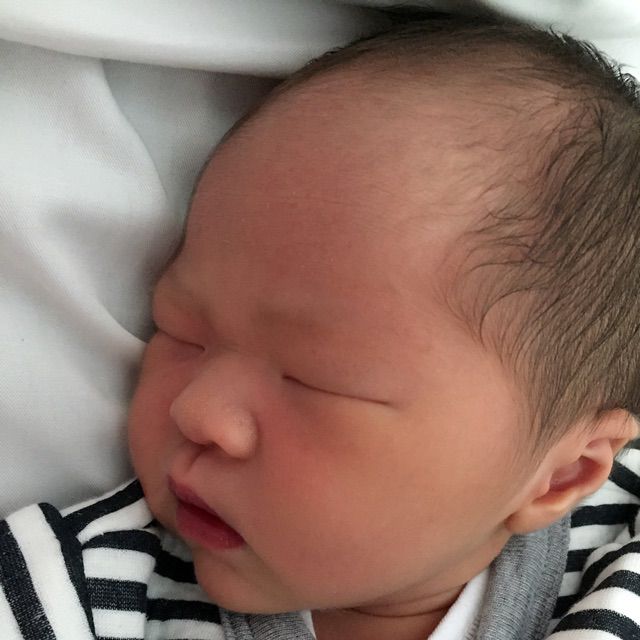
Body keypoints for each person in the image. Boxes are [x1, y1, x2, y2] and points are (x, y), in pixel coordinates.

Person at [1, 15, 639, 640]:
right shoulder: (71, 592)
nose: (197, 411)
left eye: (314, 380)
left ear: (563, 474)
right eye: (183, 332)